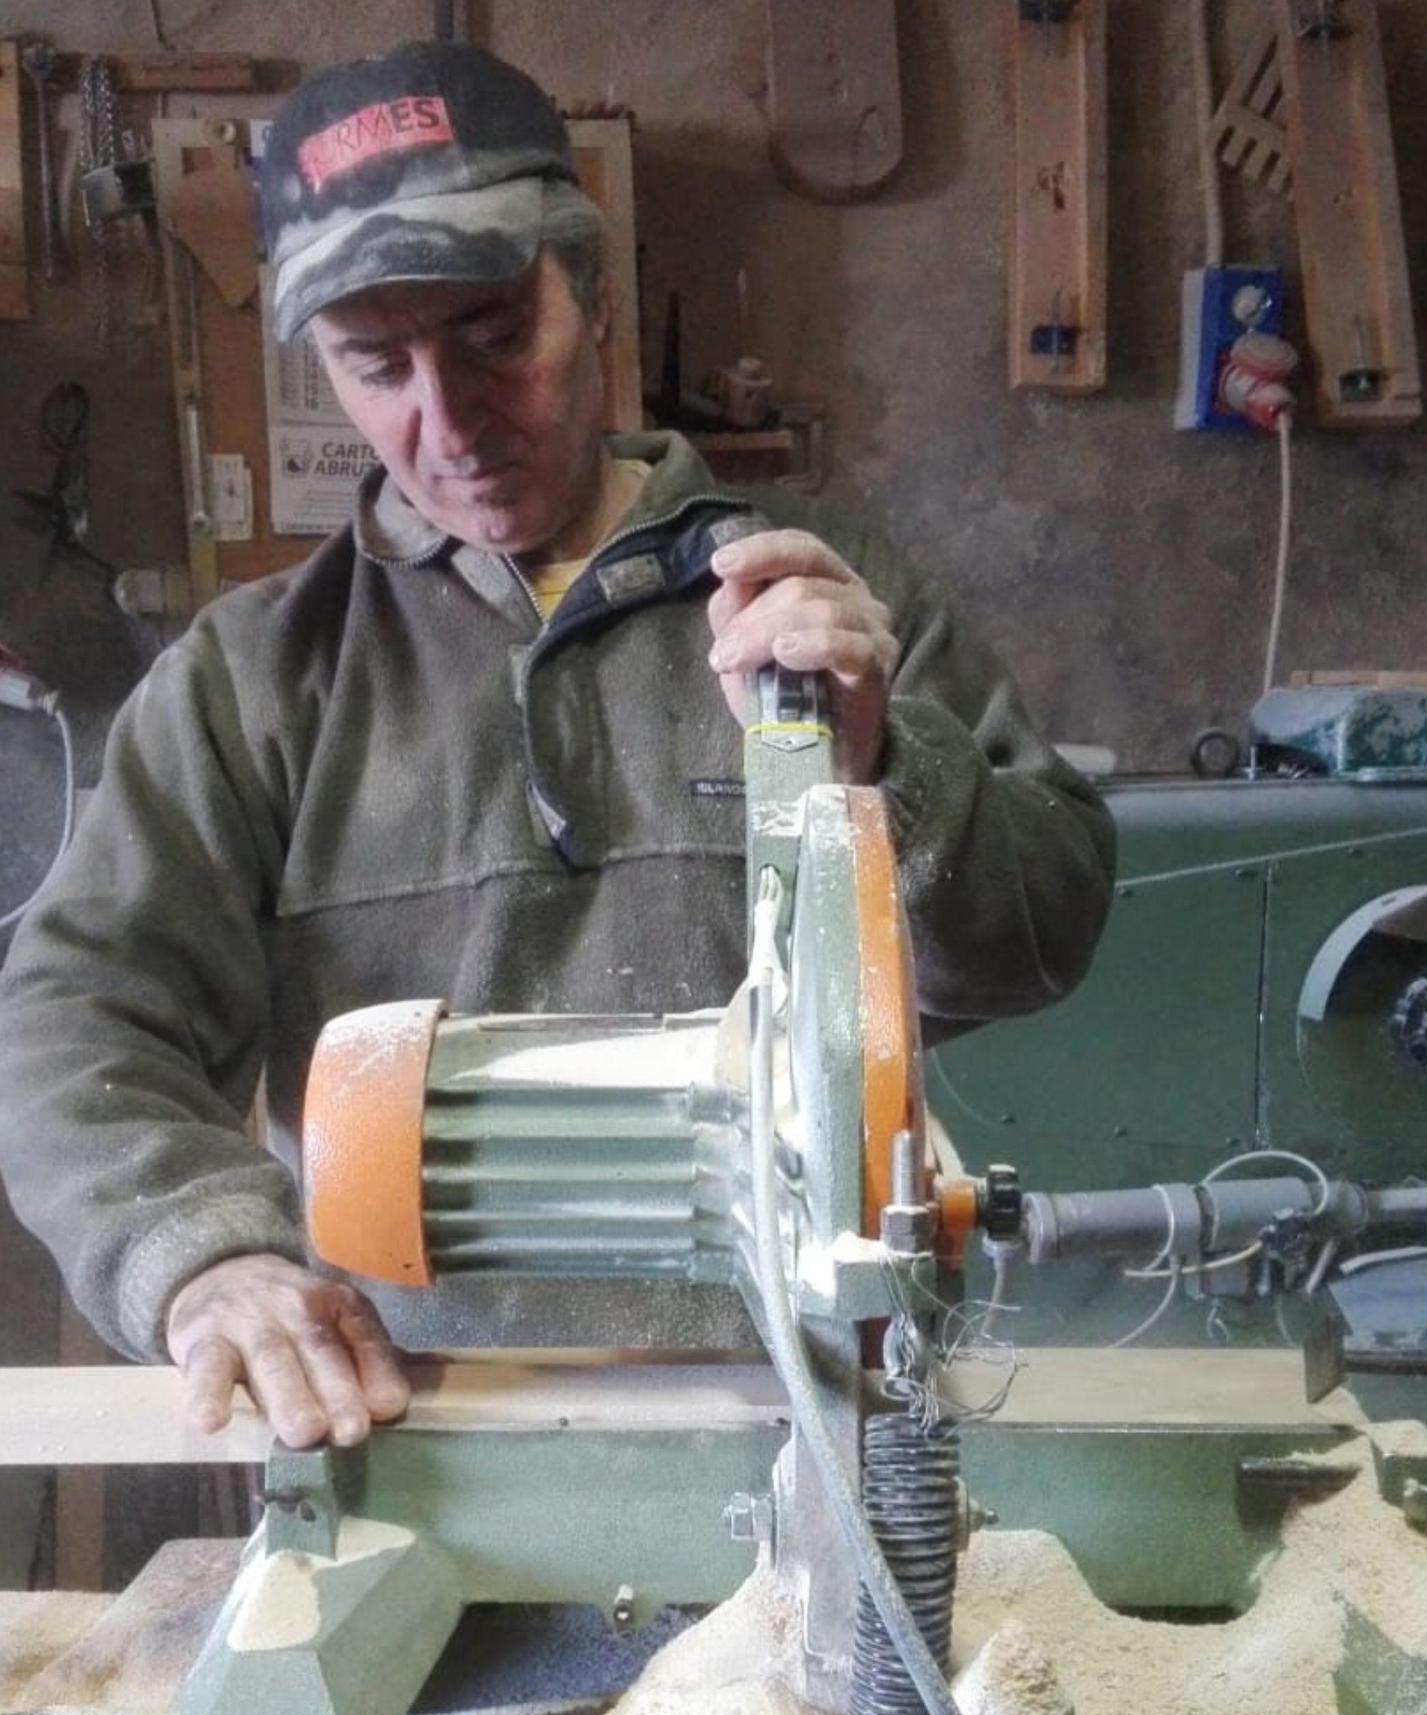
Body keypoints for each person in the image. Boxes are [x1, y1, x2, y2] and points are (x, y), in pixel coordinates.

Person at [0, 43, 1114, 1452]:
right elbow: (77, 1017)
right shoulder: (254, 680)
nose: (446, 420)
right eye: (375, 364)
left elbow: (1047, 931)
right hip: (405, 1443)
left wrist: (880, 770)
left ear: (585, 289)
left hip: (813, 1432)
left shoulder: (825, 600)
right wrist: (200, 1253)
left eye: (488, 335)